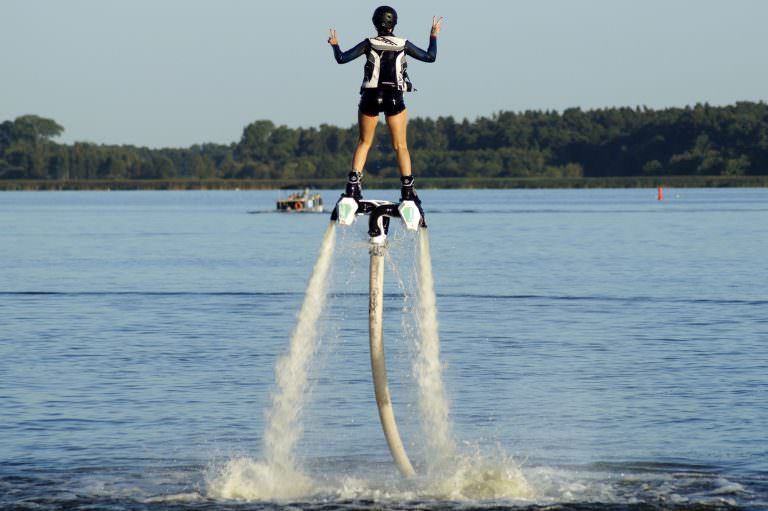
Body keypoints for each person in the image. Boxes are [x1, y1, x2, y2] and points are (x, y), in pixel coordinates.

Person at [328, 6, 442, 210]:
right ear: (394, 24)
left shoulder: (369, 43)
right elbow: (430, 57)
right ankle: (407, 191)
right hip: (394, 98)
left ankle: (353, 188)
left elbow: (341, 58)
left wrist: (335, 45)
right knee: (400, 146)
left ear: (374, 23)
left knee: (364, 142)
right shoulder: (403, 43)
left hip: (371, 96)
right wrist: (433, 36)